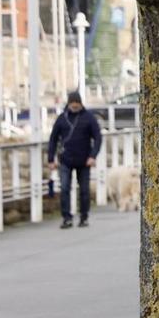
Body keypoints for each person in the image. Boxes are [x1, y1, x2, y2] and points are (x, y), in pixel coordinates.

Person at [47, 90, 102, 229]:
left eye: (77, 102)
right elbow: (53, 139)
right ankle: (67, 218)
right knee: (65, 188)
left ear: (81, 103)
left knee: (84, 190)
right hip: (65, 159)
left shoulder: (89, 118)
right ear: (69, 103)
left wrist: (93, 156)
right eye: (72, 103)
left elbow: (97, 137)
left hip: (84, 160)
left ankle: (84, 217)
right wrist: (51, 159)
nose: (75, 105)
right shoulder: (62, 118)